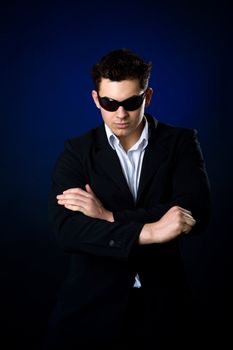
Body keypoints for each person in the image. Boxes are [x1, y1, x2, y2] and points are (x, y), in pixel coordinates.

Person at [44, 48, 211, 349]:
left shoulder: (181, 143)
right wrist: (150, 231)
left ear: (147, 97)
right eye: (110, 103)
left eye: (131, 102)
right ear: (96, 99)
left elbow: (196, 210)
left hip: (166, 310)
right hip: (89, 311)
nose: (121, 114)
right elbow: (68, 230)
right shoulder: (76, 152)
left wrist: (110, 217)